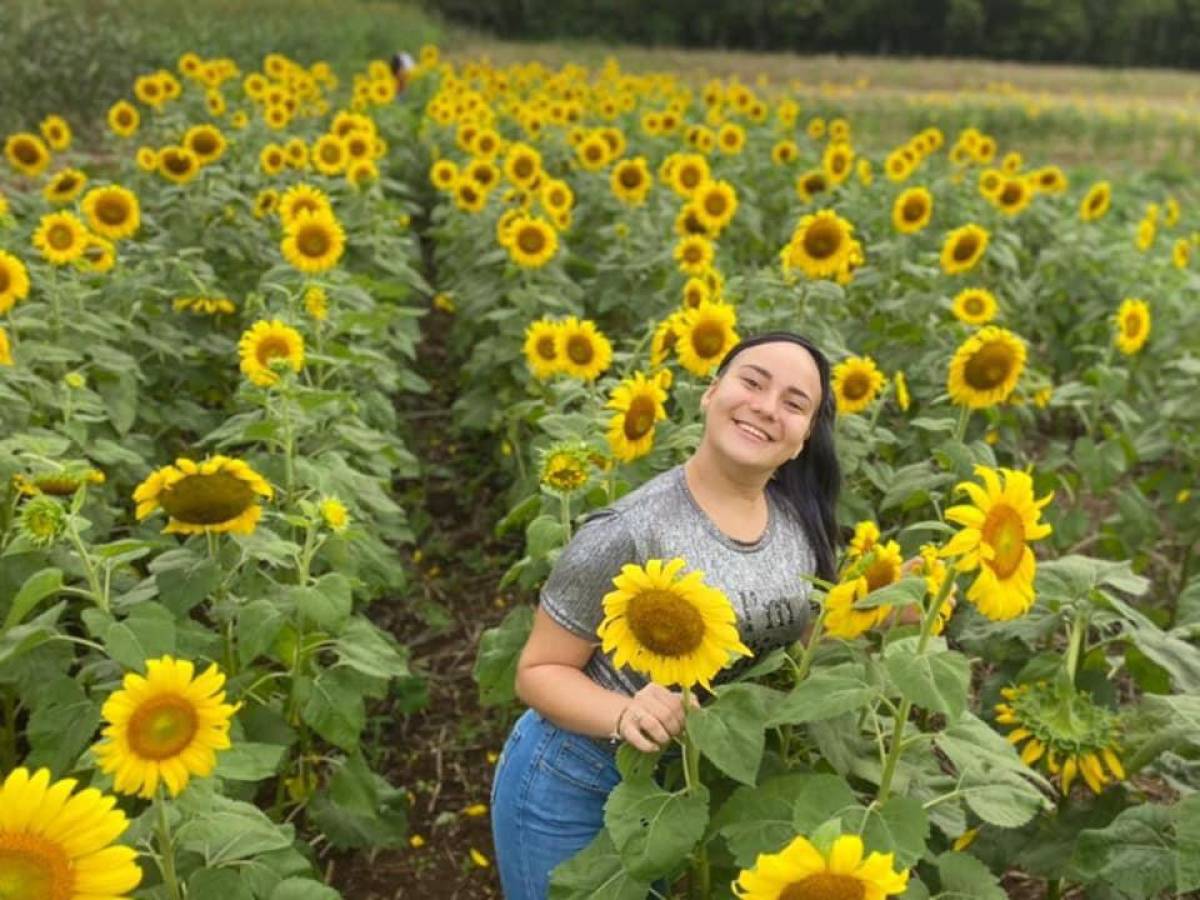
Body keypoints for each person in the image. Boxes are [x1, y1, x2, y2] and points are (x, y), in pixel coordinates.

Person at [490, 331, 841, 900]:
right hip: (575, 780)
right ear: (712, 392)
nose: (766, 407)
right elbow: (537, 671)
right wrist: (625, 711)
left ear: (803, 439)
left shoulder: (800, 528)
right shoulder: (629, 529)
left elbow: (791, 642)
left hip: (685, 788)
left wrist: (877, 614)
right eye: (752, 382)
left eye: (794, 402)